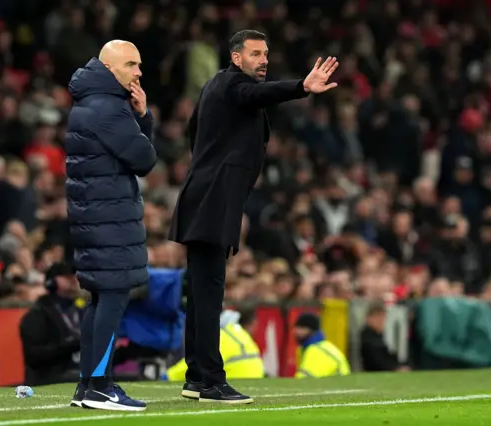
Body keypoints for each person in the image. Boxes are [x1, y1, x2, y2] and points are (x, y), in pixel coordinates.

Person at [168, 29, 339, 403]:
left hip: (205, 196)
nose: (263, 60)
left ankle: (197, 377)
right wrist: (302, 87)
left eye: (266, 54)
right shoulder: (233, 85)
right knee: (209, 293)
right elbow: (255, 94)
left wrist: (207, 161)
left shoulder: (215, 87)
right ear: (236, 58)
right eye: (255, 54)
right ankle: (211, 380)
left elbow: (193, 129)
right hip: (214, 200)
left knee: (200, 294)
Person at [64, 39, 157, 411]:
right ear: (111, 69)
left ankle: (87, 386)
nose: (138, 72)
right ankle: (101, 385)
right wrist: (144, 116)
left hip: (94, 219)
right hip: (108, 220)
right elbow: (145, 158)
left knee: (99, 299)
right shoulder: (107, 109)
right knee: (112, 297)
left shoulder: (88, 103)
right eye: (132, 65)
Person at [19, 262, 85, 387]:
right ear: (51, 282)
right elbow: (34, 356)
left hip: (78, 372)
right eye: (67, 276)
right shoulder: (37, 314)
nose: (74, 280)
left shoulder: (79, 310)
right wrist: (73, 345)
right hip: (50, 378)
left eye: (75, 276)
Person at [165, 308, 264, 384]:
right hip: (257, 382)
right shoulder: (241, 334)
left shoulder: (220, 336)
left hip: (234, 384)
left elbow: (192, 365)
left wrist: (166, 376)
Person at [294, 313, 351, 378]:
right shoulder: (323, 346)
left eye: (302, 328)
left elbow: (304, 380)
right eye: (297, 328)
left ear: (312, 330)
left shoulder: (315, 350)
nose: (297, 331)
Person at [360, 302, 410, 372]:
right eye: (377, 317)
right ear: (368, 318)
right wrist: (396, 368)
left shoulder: (378, 335)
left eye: (383, 317)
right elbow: (378, 361)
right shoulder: (368, 338)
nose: (381, 321)